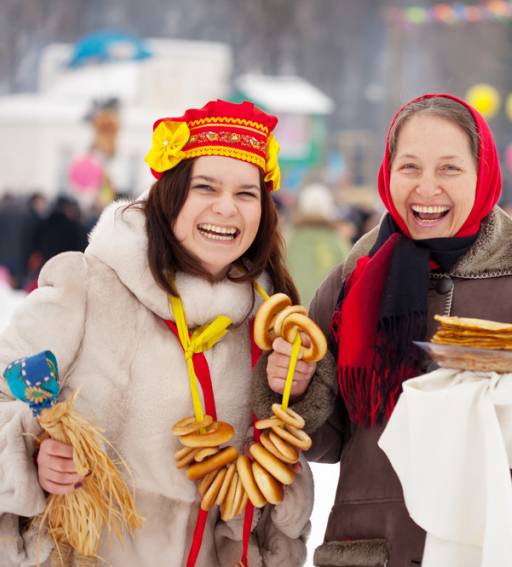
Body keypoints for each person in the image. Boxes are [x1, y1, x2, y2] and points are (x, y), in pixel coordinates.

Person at [251, 94, 512, 567]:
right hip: (371, 550)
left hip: (500, 550)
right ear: (388, 174)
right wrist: (294, 386)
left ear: (484, 173)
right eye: (410, 167)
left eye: (449, 168)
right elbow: (328, 439)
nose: (426, 188)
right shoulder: (351, 282)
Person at [0, 100, 313, 566]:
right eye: (205, 187)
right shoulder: (86, 287)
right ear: (170, 195)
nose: (226, 208)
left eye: (247, 194)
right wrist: (31, 456)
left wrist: (293, 393)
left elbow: (274, 494)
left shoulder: (269, 324)